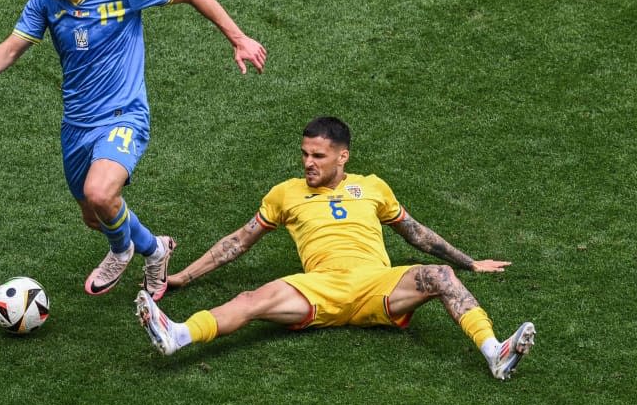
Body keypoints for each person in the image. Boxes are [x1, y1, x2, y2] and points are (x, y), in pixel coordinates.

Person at [0, 0, 267, 301]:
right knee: (95, 216)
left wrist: (238, 38)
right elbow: (11, 47)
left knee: (100, 193)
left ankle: (127, 252)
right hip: (75, 125)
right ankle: (155, 247)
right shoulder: (44, 2)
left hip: (124, 115)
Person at [135, 116, 535, 379]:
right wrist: (183, 276)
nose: (308, 163)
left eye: (318, 156)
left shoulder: (374, 187)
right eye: (305, 154)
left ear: (342, 157)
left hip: (379, 286)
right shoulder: (285, 194)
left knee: (438, 276)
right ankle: (178, 335)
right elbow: (238, 242)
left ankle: (494, 353)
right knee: (251, 297)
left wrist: (470, 263)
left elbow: (416, 233)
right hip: (319, 287)